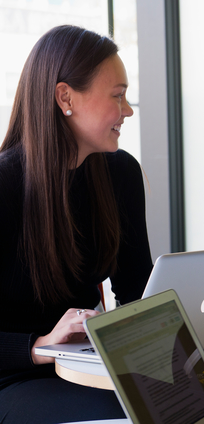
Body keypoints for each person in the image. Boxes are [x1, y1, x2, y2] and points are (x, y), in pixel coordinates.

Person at [0, 25, 153, 423]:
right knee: (131, 412)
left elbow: (137, 292)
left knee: (189, 396)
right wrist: (41, 344)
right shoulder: (5, 185)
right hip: (15, 378)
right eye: (117, 96)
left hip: (91, 369)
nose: (128, 110)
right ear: (65, 97)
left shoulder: (120, 173)